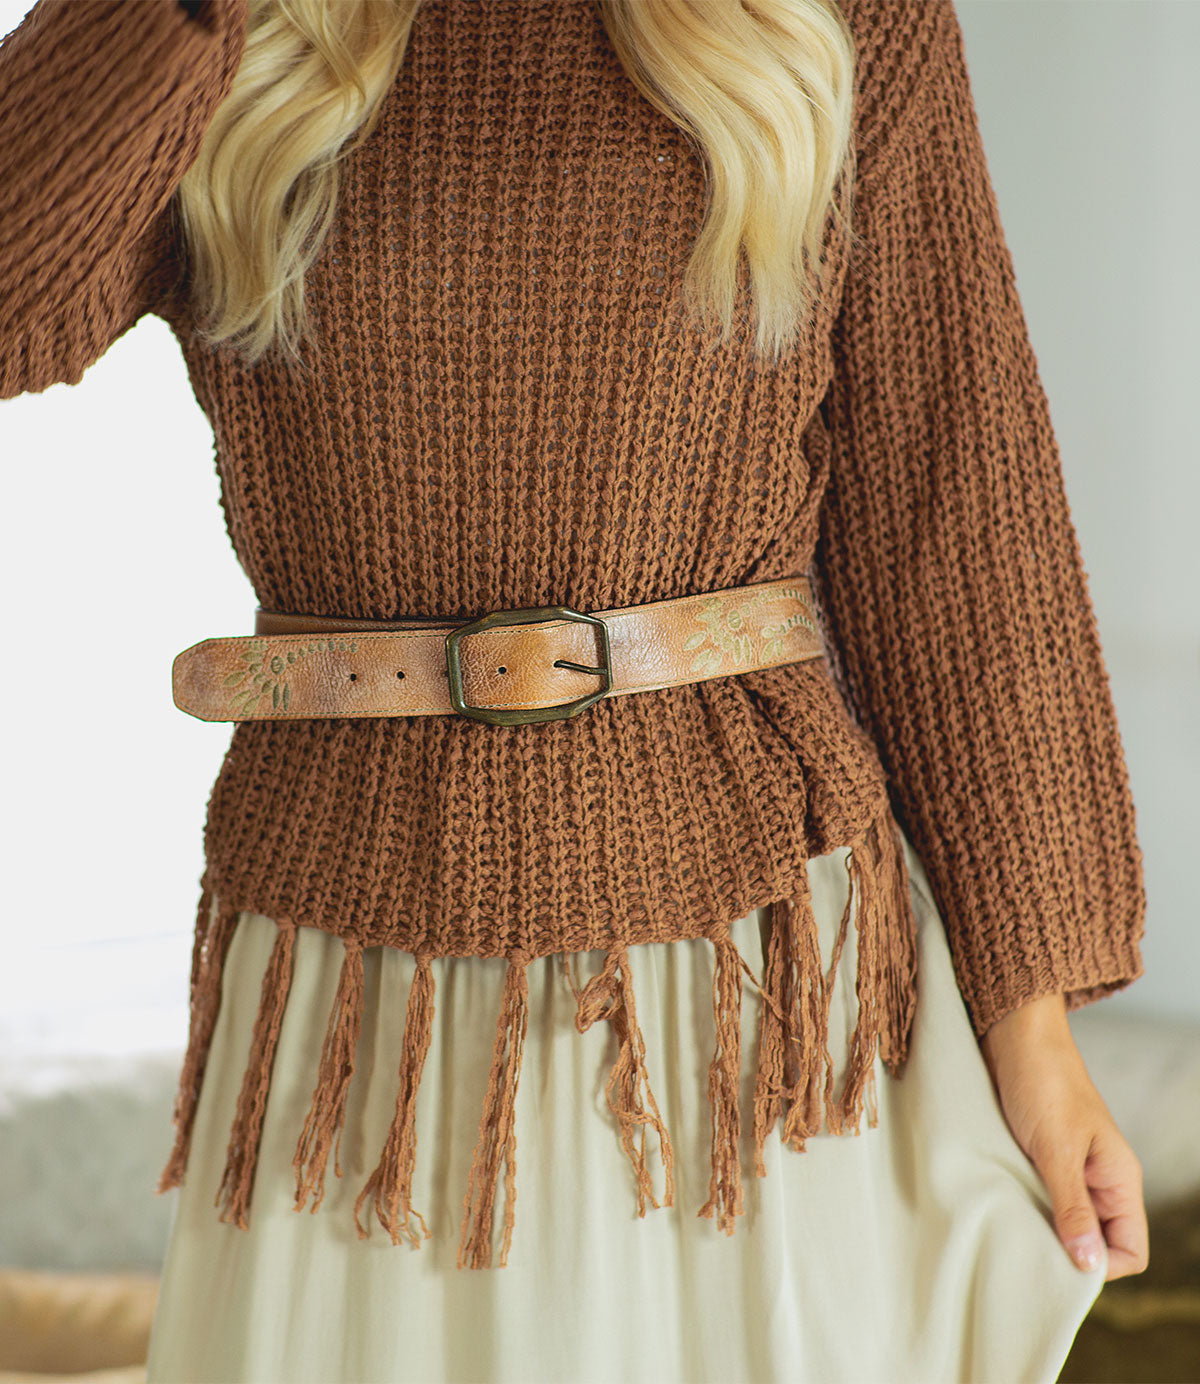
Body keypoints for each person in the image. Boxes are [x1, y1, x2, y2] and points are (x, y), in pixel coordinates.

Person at [0, 0, 1149, 1380]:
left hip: (748, 968)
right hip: (352, 977)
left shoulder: (840, 15)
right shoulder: (238, 28)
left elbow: (957, 512)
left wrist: (1036, 1033)